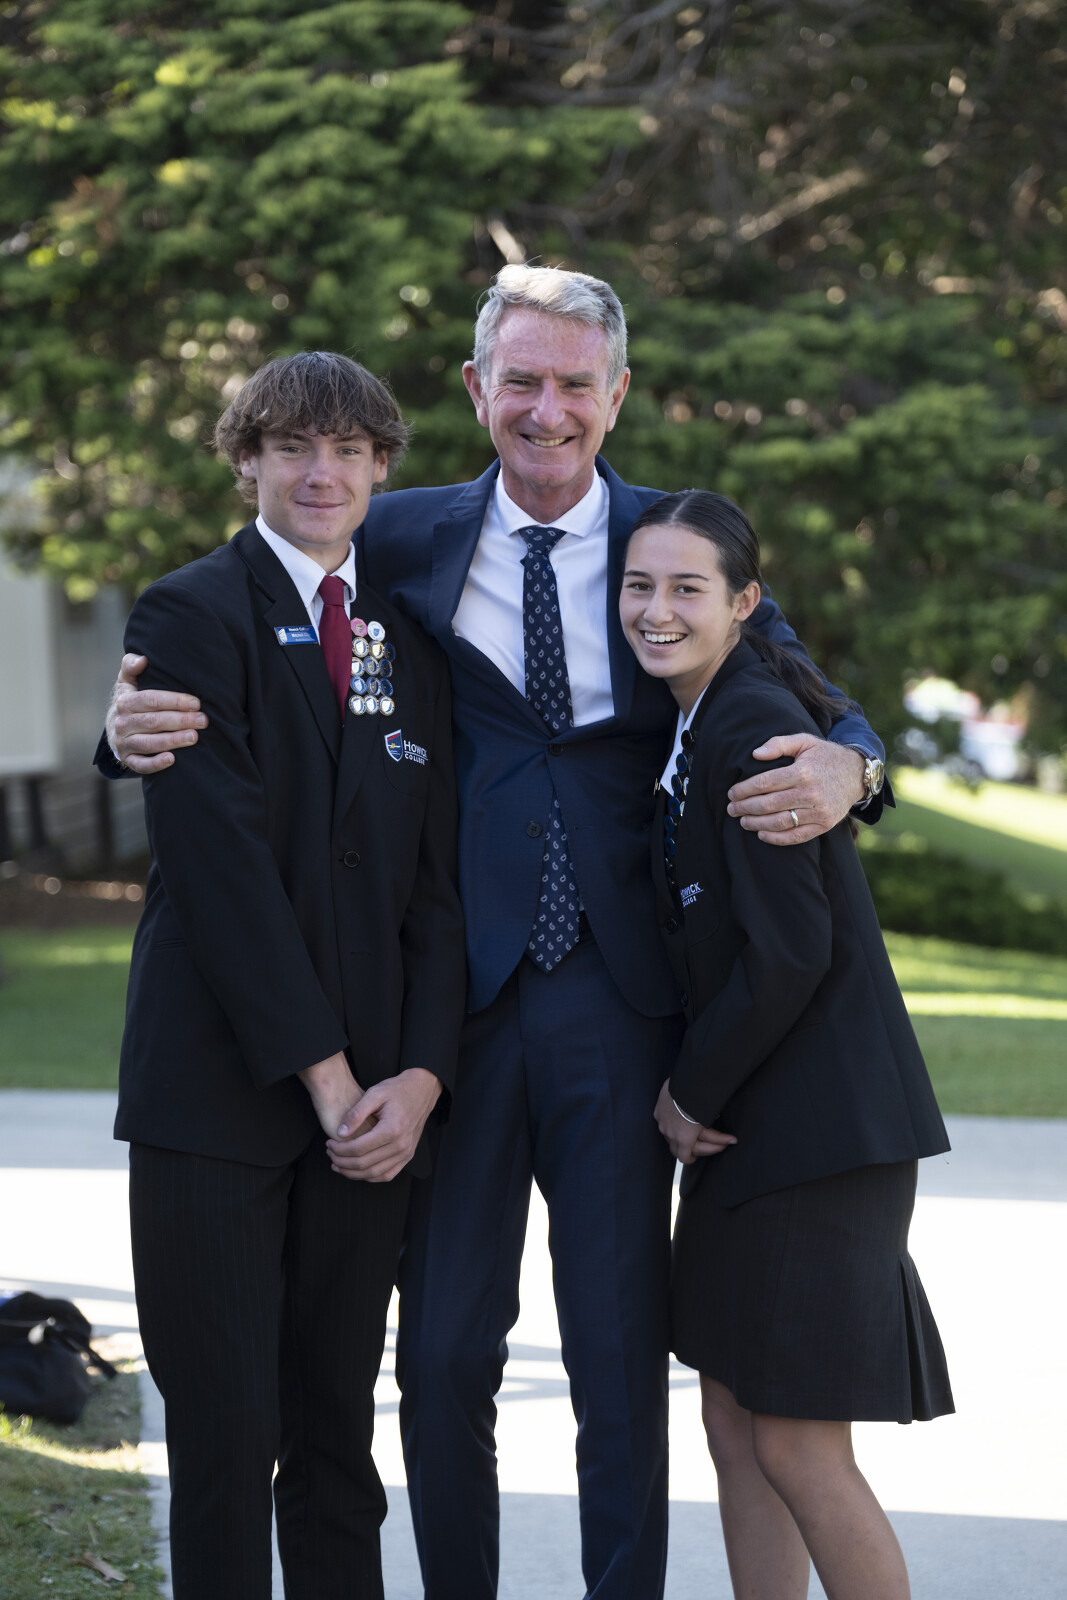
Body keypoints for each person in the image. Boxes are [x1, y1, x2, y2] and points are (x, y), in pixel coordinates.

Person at [102, 267, 891, 1600]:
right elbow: (243, 644)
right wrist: (123, 734)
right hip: (454, 1000)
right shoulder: (397, 530)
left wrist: (854, 766)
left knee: (613, 1353)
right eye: (519, 380)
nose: (546, 409)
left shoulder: (670, 542)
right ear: (477, 390)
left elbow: (805, 684)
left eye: (574, 382)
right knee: (443, 1352)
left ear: (615, 395)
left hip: (621, 996)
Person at [109, 352, 466, 1600]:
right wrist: (329, 1082)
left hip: (371, 1118)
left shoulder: (405, 639)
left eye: (348, 450)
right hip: (219, 1100)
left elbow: (434, 892)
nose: (322, 472)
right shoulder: (186, 615)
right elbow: (221, 879)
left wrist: (418, 1080)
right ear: (246, 459)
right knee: (226, 1439)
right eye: (293, 446)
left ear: (380, 467)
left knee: (334, 1442)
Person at [620, 489, 953, 1600]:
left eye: (686, 588)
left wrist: (684, 1094)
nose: (656, 609)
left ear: (744, 601)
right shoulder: (700, 713)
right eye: (638, 585)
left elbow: (789, 955)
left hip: (815, 1137)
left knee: (798, 1445)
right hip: (754, 1133)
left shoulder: (752, 727)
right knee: (732, 1422)